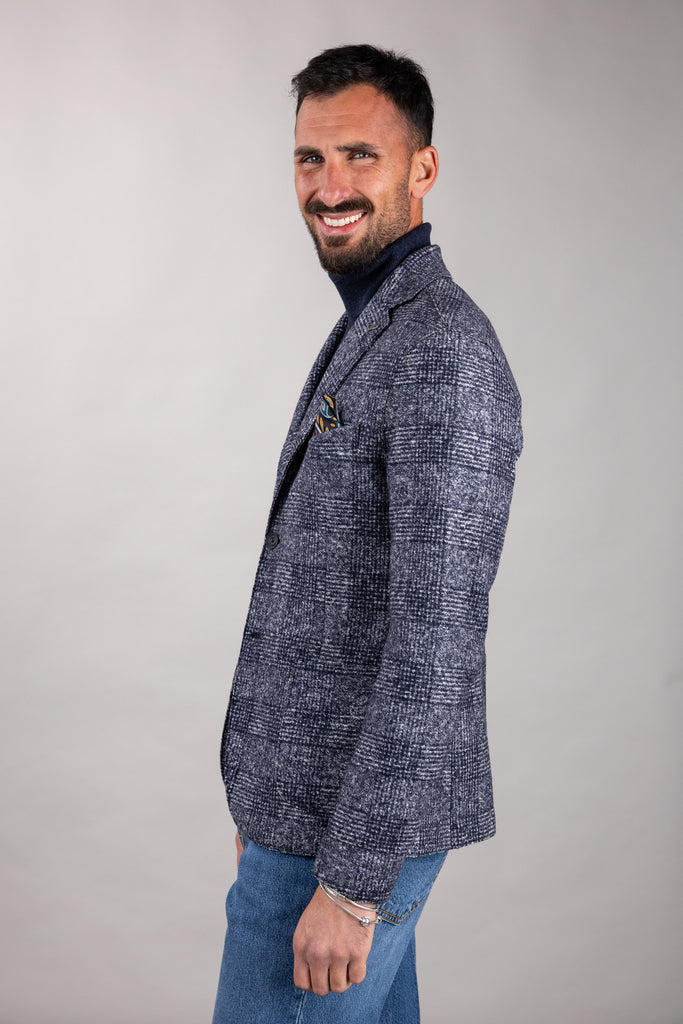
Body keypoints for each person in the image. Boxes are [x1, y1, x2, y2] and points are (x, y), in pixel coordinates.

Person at [212, 44, 523, 1024]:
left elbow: (435, 640)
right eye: (309, 158)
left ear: (421, 169)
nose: (329, 185)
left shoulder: (439, 348)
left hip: (343, 838)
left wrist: (349, 883)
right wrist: (263, 810)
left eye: (359, 155)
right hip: (305, 816)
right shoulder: (377, 323)